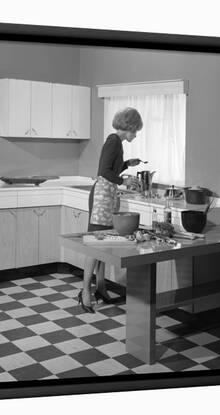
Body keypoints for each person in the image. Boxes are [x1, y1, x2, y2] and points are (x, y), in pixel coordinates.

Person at [77, 107, 144, 313]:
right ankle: (85, 291)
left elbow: (111, 168)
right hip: (101, 198)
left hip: (108, 196)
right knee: (94, 245)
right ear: (130, 126)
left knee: (102, 244)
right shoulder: (113, 141)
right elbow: (104, 171)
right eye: (136, 130)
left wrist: (125, 164)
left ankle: (101, 288)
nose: (136, 133)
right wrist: (125, 179)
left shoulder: (117, 144)